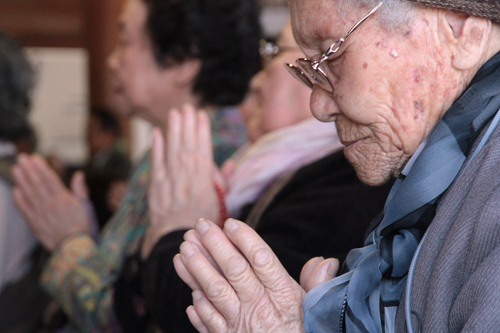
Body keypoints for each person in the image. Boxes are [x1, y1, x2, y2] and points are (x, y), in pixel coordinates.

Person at [173, 0, 500, 332]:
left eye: (331, 54)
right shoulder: (437, 183)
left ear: (460, 30)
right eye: (310, 69)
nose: (318, 105)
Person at [115, 22, 393, 332]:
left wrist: (176, 230)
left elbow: (222, 310)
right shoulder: (268, 169)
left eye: (276, 54)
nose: (256, 82)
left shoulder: (351, 180)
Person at [10, 0, 262, 331]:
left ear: (184, 59)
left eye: (125, 42)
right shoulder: (183, 149)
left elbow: (127, 315)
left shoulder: (201, 164)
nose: (112, 61)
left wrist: (68, 240)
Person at [84, 107, 131, 228]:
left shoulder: (120, 164)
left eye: (92, 129)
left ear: (108, 133)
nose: (86, 135)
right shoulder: (94, 162)